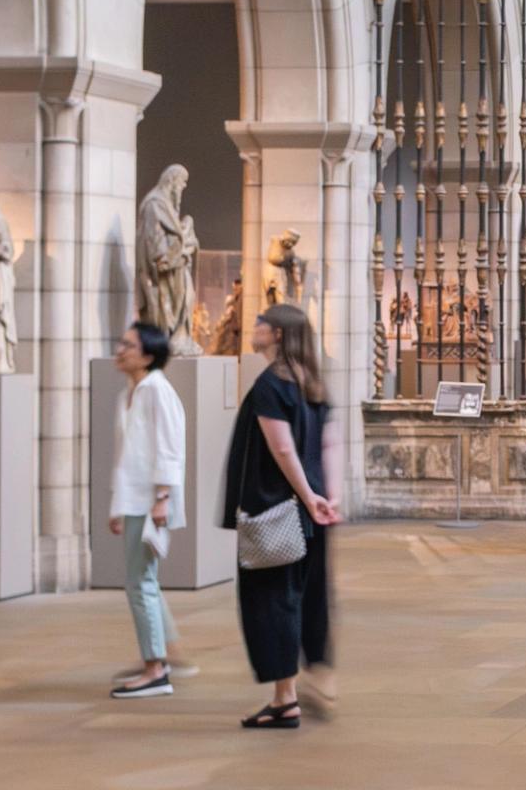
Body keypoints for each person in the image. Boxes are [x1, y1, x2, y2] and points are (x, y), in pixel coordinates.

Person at [227, 303, 340, 730]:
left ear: (275, 334)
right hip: (312, 511)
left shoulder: (270, 385)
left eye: (259, 323)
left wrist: (309, 497)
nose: (252, 328)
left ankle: (284, 699)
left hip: (278, 508)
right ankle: (300, 686)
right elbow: (329, 444)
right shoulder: (311, 382)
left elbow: (281, 449)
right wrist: (329, 497)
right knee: (301, 597)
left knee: (272, 600)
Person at [109, 321, 189, 699]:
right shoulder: (133, 390)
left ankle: (155, 668)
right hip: (137, 499)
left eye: (128, 345)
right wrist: (118, 505)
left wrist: (163, 497)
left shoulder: (157, 390)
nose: (120, 349)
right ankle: (162, 656)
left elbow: (169, 446)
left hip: (150, 501)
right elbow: (129, 456)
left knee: (139, 584)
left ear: (147, 354)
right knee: (144, 581)